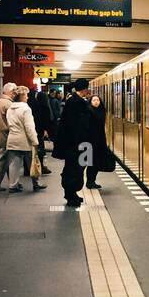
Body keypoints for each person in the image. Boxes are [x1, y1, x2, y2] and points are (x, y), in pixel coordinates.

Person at [53, 78, 93, 208]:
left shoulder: (74, 101)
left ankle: (72, 194)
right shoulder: (76, 102)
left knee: (77, 168)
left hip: (78, 143)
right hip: (77, 144)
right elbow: (77, 125)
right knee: (74, 169)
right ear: (84, 88)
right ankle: (70, 195)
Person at [4, 86, 43, 192]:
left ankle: (13, 185)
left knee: (13, 164)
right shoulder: (26, 109)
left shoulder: (10, 108)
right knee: (33, 162)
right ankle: (36, 183)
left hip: (12, 138)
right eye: (26, 95)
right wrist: (35, 141)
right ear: (21, 96)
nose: (27, 97)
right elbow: (29, 127)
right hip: (25, 140)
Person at [27, 86, 55, 174]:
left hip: (32, 130)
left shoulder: (31, 105)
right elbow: (46, 120)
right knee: (40, 150)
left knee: (31, 151)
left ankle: (28, 169)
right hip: (40, 131)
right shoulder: (44, 107)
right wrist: (46, 130)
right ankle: (41, 167)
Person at [85, 91, 109, 189]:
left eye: (98, 100)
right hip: (90, 141)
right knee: (90, 162)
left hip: (99, 140)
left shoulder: (102, 111)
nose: (96, 102)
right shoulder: (88, 111)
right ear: (90, 102)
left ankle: (92, 181)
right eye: (94, 100)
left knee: (95, 162)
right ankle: (89, 181)